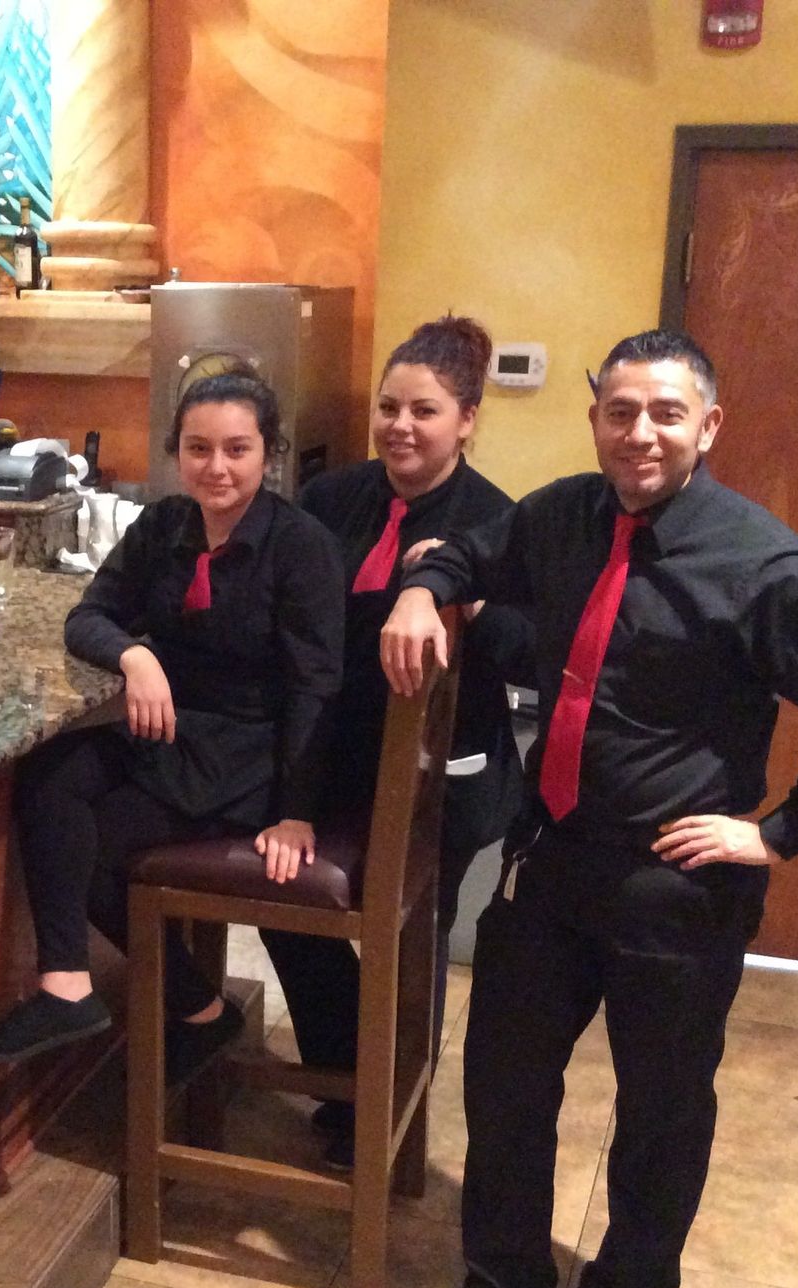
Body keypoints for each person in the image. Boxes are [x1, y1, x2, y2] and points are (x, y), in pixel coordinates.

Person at [379, 329, 798, 1288]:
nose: (641, 434)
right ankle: (501, 1281)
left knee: (661, 1107)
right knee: (504, 1081)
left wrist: (773, 833)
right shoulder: (561, 518)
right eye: (621, 411)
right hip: (552, 858)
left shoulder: (765, 565)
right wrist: (420, 589)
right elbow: (462, 549)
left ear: (707, 427)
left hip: (676, 885)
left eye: (667, 414)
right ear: (595, 419)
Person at [0, 371, 345, 1080]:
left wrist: (298, 814)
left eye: (238, 448)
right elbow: (88, 617)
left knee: (88, 846)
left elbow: (315, 689)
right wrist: (134, 655)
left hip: (249, 755)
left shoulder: (301, 546)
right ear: (177, 453)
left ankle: (198, 1012)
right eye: (199, 449)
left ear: (270, 454)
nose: (218, 466)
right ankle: (69, 987)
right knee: (48, 777)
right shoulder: (165, 525)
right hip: (168, 736)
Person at [264, 316, 532, 1168]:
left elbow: (530, 656)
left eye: (424, 410)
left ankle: (392, 1114)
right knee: (288, 910)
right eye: (388, 407)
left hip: (440, 779)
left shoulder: (499, 521)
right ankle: (347, 1076)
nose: (400, 427)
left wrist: (471, 602)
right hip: (327, 759)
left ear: (467, 420)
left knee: (412, 940)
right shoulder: (330, 499)